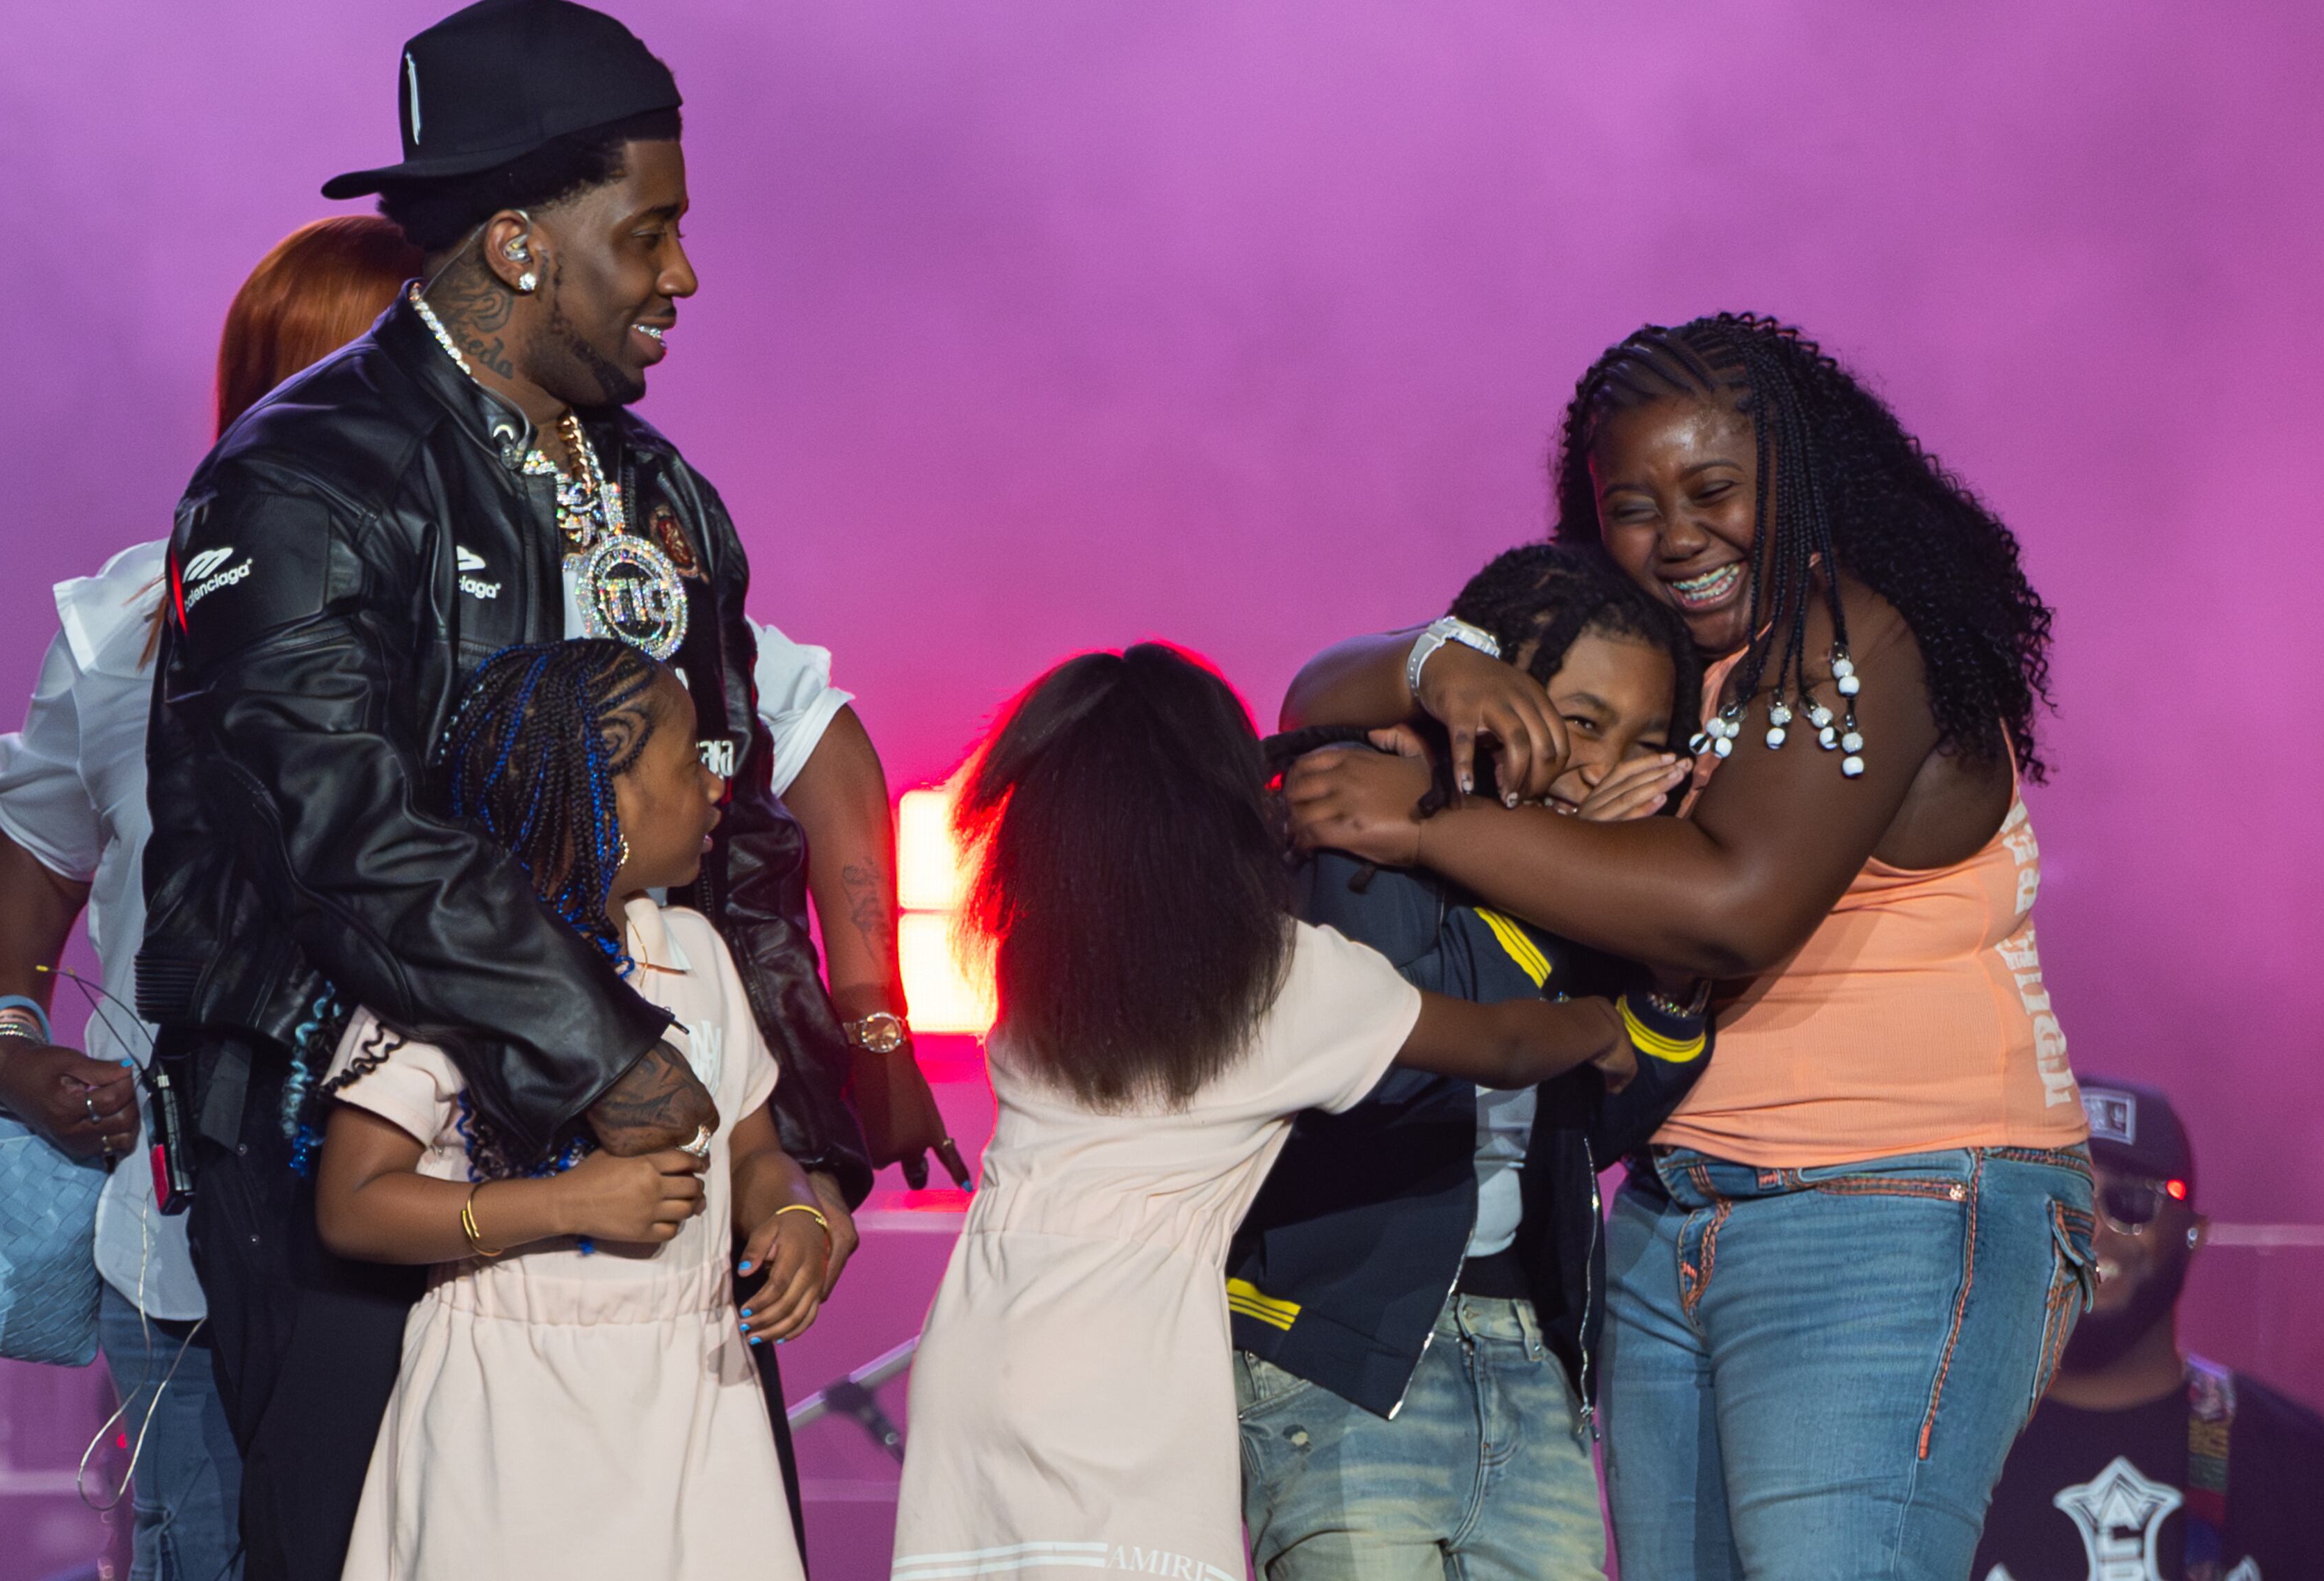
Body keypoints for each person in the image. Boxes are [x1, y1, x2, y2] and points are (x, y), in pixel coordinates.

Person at [138, 0, 951, 1579]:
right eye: (647, 234)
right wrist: (613, 1062)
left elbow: (739, 832)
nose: (682, 275)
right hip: (349, 1164)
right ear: (516, 242)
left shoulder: (658, 495)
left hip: (652, 1166)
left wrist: (797, 1161)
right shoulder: (300, 479)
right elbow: (339, 831)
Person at [1284, 314, 2092, 1579]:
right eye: (1632, 507)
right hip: (1672, 1217)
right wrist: (1438, 661)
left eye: (1716, 492)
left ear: (1802, 483)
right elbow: (1317, 692)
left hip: (1898, 1204)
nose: (1678, 538)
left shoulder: (1855, 634)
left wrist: (1437, 824)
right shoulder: (1642, 661)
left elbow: (1734, 904)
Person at [891, 644, 1677, 1581]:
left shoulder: (1036, 975)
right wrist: (1594, 1023)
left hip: (982, 1343)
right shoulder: (1276, 981)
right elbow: (1504, 1046)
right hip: (1130, 1367)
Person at [0, 215, 417, 1581]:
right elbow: (29, 861)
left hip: (450, 1237)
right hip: (184, 1265)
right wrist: (10, 1043)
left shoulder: (498, 612)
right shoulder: (123, 626)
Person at [1231, 543, 1707, 1581]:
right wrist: (1556, 894)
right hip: (1341, 1351)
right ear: (1494, 703)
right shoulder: (1373, 820)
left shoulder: (1573, 885)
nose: (1601, 766)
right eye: (1582, 723)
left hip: (1529, 1353)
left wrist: (1665, 985)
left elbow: (1606, 1115)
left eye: (1644, 743)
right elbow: (1402, 1070)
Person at [313, 642, 825, 1581]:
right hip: (511, 1410)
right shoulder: (459, 970)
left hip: (695, 1396)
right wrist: (566, 1205)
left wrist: (789, 1208)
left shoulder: (700, 954)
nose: (718, 785)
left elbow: (755, 1145)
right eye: (688, 762)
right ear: (605, 794)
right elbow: (352, 1202)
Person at [1972, 1078, 2324, 1581]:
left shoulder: (2295, 1460)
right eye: (2063, 1203)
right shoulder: (1947, 1452)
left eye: (2129, 1201)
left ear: (2193, 1233)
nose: (2092, 1231)